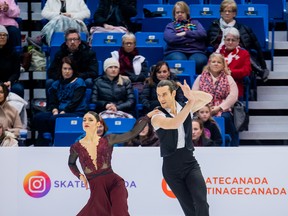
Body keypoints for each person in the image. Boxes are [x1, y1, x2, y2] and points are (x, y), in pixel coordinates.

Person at [68, 109, 158, 215]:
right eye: (84, 120)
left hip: (115, 184)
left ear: (98, 124)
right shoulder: (76, 147)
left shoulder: (109, 139)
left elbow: (132, 133)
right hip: (97, 191)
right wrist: (79, 175)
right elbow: (71, 163)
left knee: (119, 213)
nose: (86, 122)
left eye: (90, 120)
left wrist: (147, 116)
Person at [150, 79, 211, 216]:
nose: (161, 98)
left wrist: (190, 94)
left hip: (189, 163)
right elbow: (174, 123)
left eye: (164, 94)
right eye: (158, 95)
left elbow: (208, 98)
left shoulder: (185, 107)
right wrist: (190, 103)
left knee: (201, 201)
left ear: (173, 93)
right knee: (190, 209)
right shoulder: (157, 115)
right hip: (171, 168)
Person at [207, 0, 269, 80]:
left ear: (234, 14)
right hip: (219, 53)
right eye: (224, 11)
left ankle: (259, 70)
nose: (227, 13)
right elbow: (208, 43)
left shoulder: (243, 28)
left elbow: (257, 46)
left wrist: (264, 66)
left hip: (238, 54)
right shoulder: (213, 27)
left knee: (243, 51)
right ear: (220, 13)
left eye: (230, 11)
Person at [32, 56, 87, 146]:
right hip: (59, 112)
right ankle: (41, 144)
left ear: (73, 70)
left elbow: (75, 102)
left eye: (70, 69)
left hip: (75, 112)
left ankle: (55, 141)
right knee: (39, 117)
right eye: (65, 68)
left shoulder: (79, 82)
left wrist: (63, 111)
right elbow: (53, 101)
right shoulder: (56, 84)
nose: (67, 71)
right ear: (61, 69)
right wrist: (55, 110)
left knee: (55, 119)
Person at [192, 52, 239, 146]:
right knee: (196, 120)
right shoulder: (200, 77)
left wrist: (219, 108)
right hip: (203, 108)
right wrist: (203, 107)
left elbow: (233, 96)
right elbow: (194, 94)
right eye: (213, 61)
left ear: (223, 65)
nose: (216, 64)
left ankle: (232, 144)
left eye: (219, 62)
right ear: (209, 63)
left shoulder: (228, 78)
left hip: (222, 108)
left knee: (226, 117)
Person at [163, 1, 207, 74]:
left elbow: (203, 34)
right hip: (176, 51)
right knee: (180, 60)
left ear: (187, 13)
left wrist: (186, 33)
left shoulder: (196, 23)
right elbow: (170, 39)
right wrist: (193, 38)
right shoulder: (170, 25)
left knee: (199, 61)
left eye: (182, 12)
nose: (180, 14)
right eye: (177, 12)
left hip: (196, 51)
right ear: (174, 15)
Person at [217, 27, 251, 99]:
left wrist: (230, 72)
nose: (230, 42)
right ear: (224, 40)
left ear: (238, 41)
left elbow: (247, 71)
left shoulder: (244, 53)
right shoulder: (217, 53)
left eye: (233, 40)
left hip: (235, 86)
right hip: (216, 87)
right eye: (228, 40)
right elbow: (208, 68)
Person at [0, 25, 24, 98]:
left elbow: (16, 73)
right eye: (0, 35)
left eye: (5, 35)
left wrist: (10, 81)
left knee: (18, 88)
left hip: (10, 82)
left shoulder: (13, 53)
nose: (3, 37)